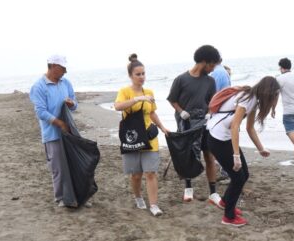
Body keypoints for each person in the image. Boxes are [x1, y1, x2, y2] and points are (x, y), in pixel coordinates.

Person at [205, 76, 279, 226]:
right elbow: (234, 126)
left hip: (223, 138)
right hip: (217, 139)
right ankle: (229, 217)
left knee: (244, 175)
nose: (276, 99)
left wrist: (261, 148)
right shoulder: (248, 98)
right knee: (238, 178)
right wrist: (236, 156)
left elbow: (249, 128)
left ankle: (225, 202)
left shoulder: (253, 99)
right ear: (269, 93)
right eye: (275, 95)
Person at [114, 54, 171, 217]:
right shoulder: (125, 91)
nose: (141, 77)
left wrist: (162, 127)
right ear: (131, 76)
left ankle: (154, 205)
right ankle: (138, 196)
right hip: (131, 136)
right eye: (138, 74)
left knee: (151, 172)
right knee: (136, 174)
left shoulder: (150, 92)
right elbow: (118, 106)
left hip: (149, 136)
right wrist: (138, 98)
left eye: (143, 74)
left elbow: (152, 113)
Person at [167, 45, 220, 205]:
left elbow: (212, 101)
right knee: (189, 156)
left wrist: (210, 112)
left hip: (204, 123)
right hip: (187, 123)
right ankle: (188, 189)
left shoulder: (210, 81)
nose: (212, 69)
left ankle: (213, 193)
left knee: (209, 155)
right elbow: (172, 99)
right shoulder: (181, 79)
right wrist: (181, 111)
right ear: (204, 62)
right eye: (211, 65)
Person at [29, 54, 80, 207]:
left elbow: (75, 103)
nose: (65, 71)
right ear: (52, 66)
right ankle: (60, 198)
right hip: (52, 134)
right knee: (58, 168)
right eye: (62, 68)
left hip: (69, 132)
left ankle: (76, 193)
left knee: (73, 164)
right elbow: (41, 112)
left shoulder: (66, 83)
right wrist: (59, 123)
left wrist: (72, 104)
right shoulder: (39, 86)